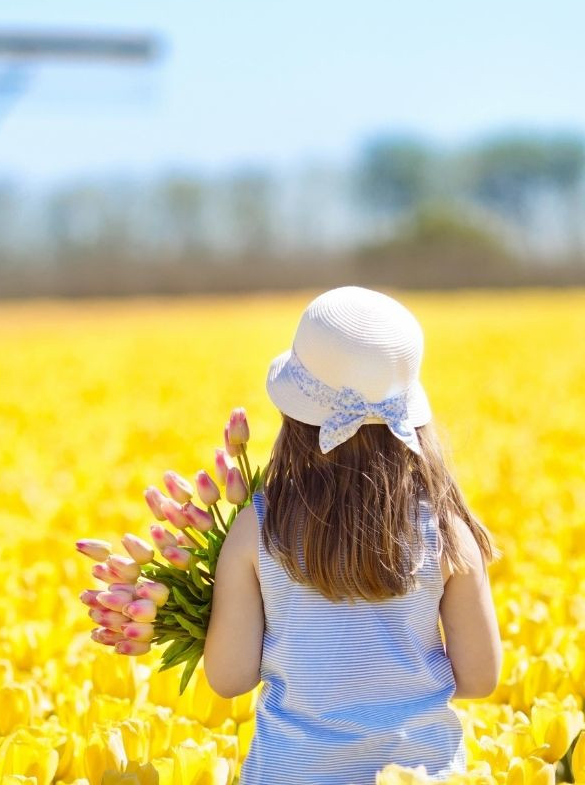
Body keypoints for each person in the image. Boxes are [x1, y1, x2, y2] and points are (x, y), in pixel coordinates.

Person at [202, 286, 502, 784]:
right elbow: (480, 678)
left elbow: (228, 678)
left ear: (295, 416)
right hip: (421, 773)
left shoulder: (257, 526)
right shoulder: (447, 532)